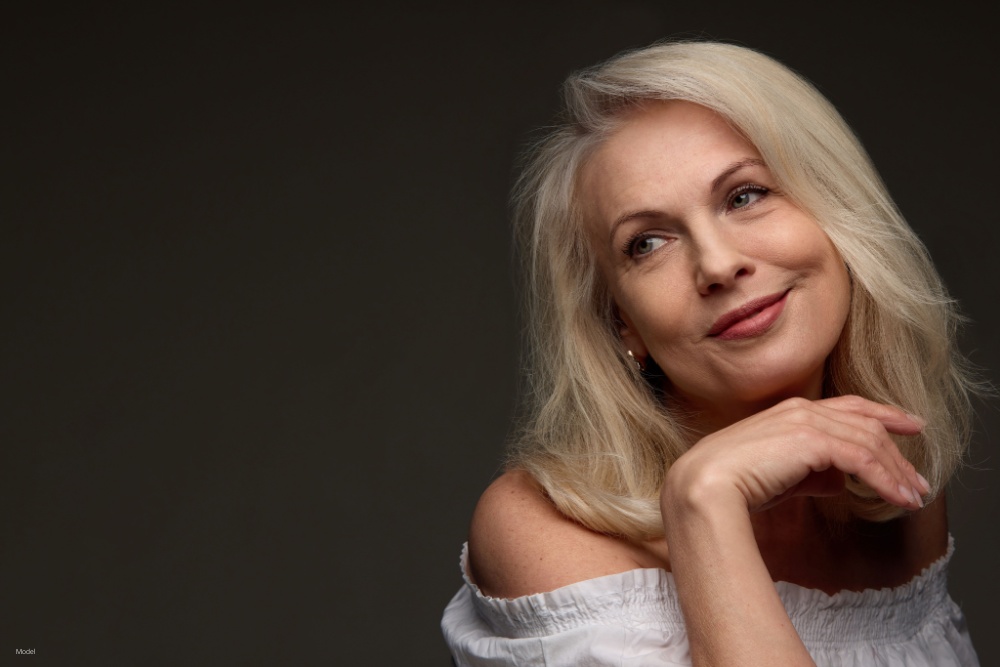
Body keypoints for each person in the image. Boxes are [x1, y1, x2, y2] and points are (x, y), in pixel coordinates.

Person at [441, 40, 981, 666]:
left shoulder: (893, 493)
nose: (719, 265)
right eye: (646, 244)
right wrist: (703, 502)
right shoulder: (540, 531)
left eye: (745, 196)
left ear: (838, 215)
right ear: (623, 323)